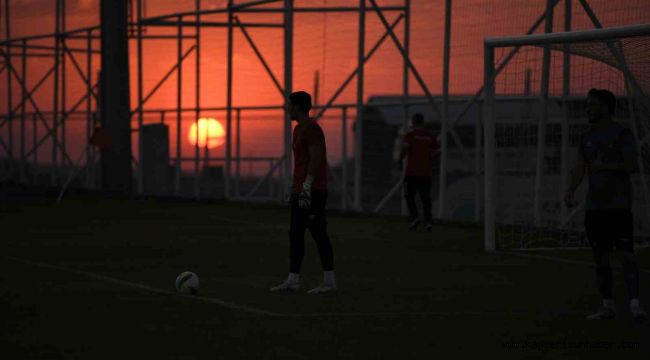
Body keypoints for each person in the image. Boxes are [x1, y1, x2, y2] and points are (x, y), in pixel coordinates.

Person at [564, 88, 646, 320]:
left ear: (607, 107)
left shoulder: (622, 134)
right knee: (600, 258)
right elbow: (581, 166)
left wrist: (606, 166)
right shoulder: (586, 137)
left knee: (627, 256)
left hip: (619, 207)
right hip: (595, 208)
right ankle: (607, 306)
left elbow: (631, 165)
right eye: (588, 104)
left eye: (592, 104)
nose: (588, 108)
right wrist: (571, 188)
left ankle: (635, 304)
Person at [270, 91, 336, 294]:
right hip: (301, 190)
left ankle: (329, 282)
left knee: (318, 234)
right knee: (295, 235)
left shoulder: (312, 128)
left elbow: (316, 159)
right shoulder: (297, 130)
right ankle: (293, 280)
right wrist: (295, 187)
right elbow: (301, 162)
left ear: (297, 106)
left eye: (289, 104)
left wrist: (307, 186)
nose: (286, 108)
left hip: (313, 191)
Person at [397, 113, 440, 231]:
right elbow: (437, 151)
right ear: (423, 122)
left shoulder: (410, 135)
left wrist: (399, 161)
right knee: (425, 198)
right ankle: (428, 222)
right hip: (425, 172)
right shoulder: (430, 136)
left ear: (413, 122)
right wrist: (428, 157)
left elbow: (405, 149)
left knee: (409, 195)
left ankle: (415, 217)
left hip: (412, 172)